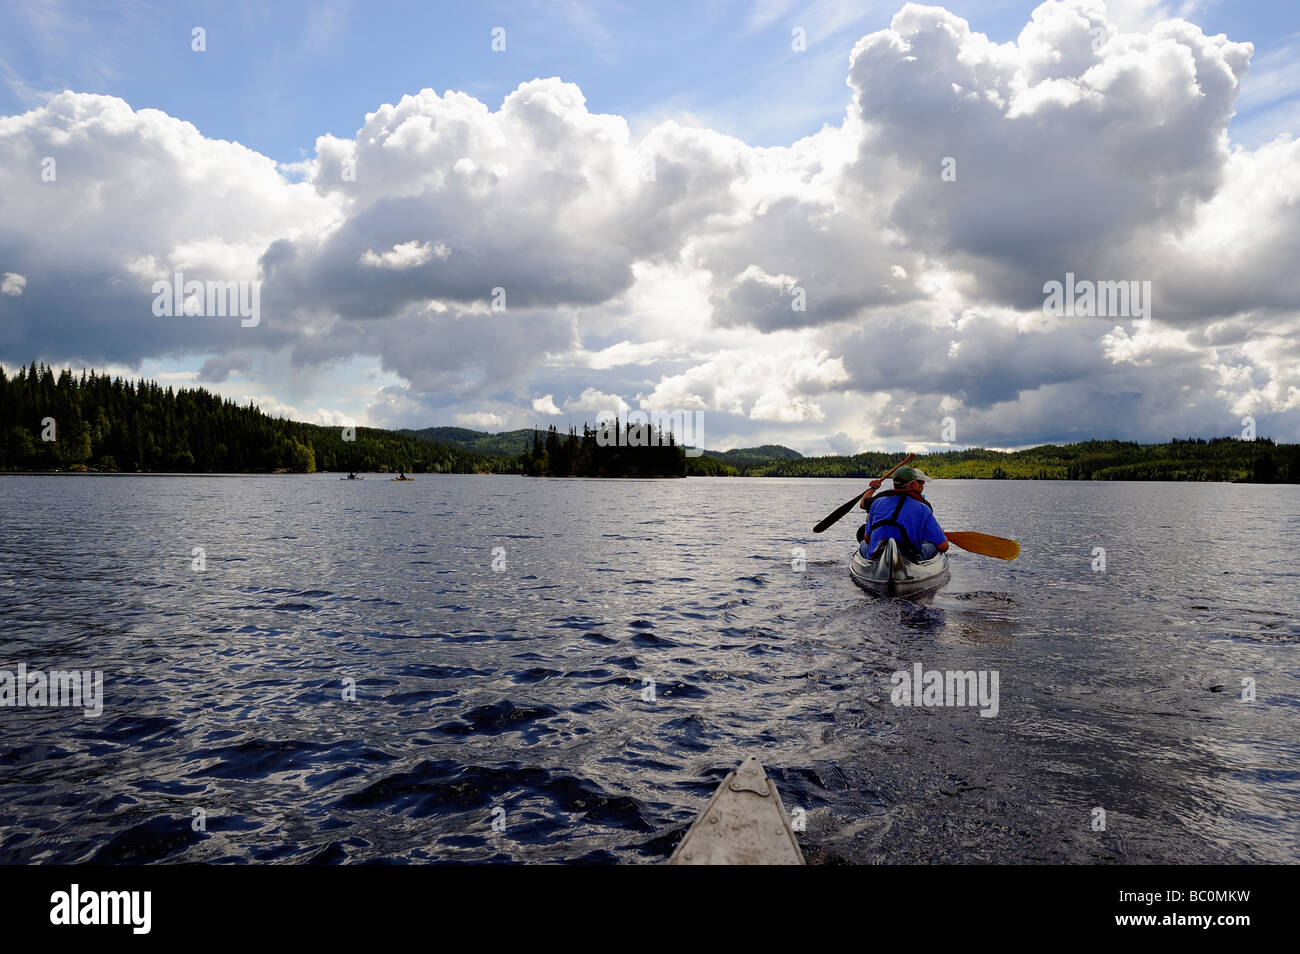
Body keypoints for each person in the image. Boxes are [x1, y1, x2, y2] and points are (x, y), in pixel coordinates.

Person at [857, 465, 949, 561]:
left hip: (877, 554)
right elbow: (944, 547)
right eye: (921, 483)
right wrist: (942, 536)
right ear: (913, 484)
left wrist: (872, 488)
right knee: (933, 546)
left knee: (863, 543)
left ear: (894, 483)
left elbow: (867, 539)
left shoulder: (877, 501)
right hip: (908, 556)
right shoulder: (924, 507)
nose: (922, 486)